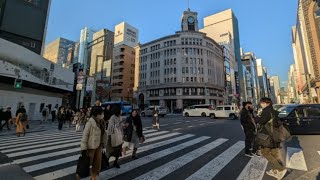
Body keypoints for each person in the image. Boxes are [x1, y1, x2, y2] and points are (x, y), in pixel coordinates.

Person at [255, 97, 287, 179]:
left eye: (262, 103)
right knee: (273, 153)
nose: (261, 104)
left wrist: (256, 118)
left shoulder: (266, 111)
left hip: (268, 136)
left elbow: (261, 121)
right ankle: (276, 170)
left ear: (266, 103)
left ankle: (280, 169)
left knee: (264, 152)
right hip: (275, 136)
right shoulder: (273, 111)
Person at [79, 107, 106, 180]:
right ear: (97, 114)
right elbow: (85, 135)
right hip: (91, 146)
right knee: (87, 163)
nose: (103, 114)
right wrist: (83, 148)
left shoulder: (102, 122)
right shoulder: (90, 122)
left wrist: (104, 143)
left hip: (99, 145)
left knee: (97, 163)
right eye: (101, 113)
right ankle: (79, 175)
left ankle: (93, 177)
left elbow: (104, 134)